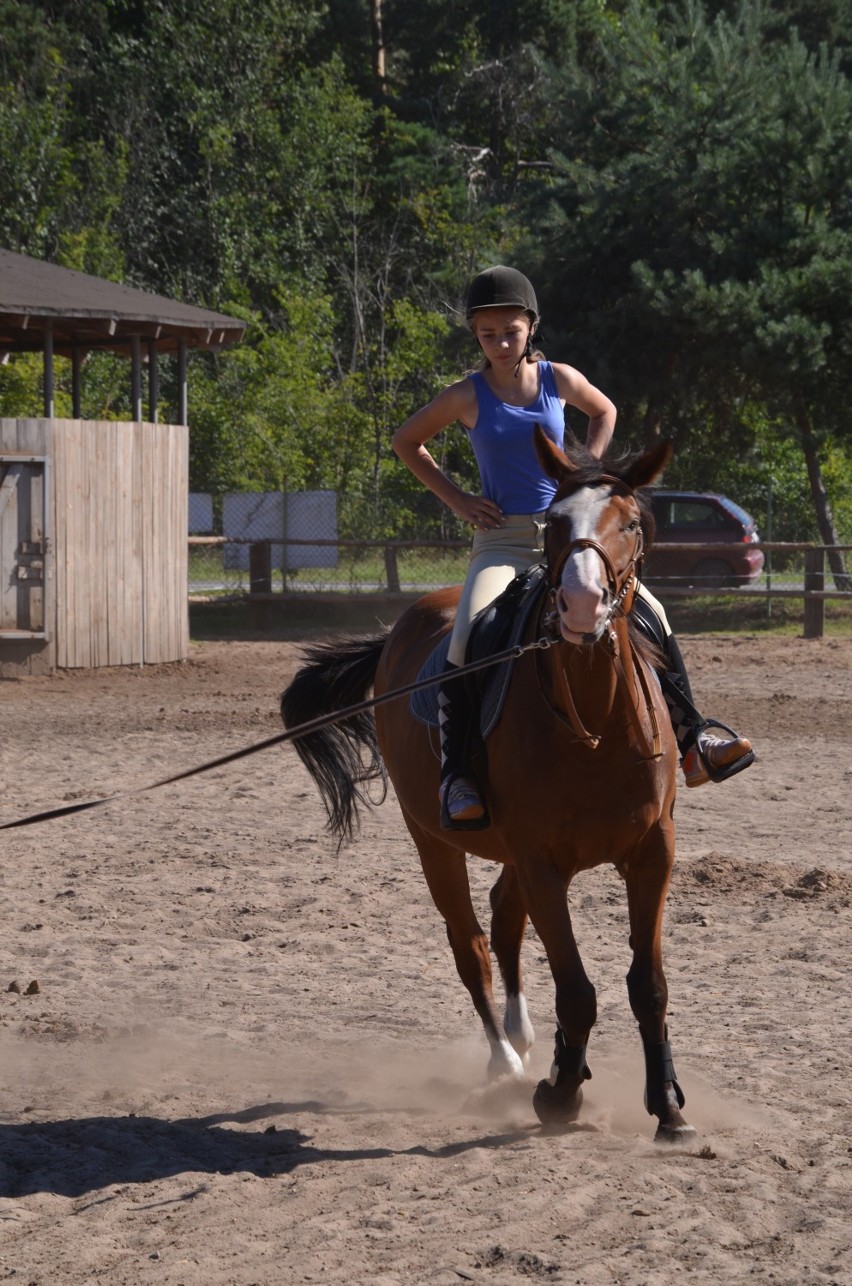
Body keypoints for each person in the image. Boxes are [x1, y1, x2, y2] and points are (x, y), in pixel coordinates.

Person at [392, 265, 754, 829]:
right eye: (487, 334)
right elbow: (406, 442)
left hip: (570, 533)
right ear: (475, 336)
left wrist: (584, 473)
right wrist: (459, 500)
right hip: (504, 541)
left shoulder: (559, 378)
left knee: (652, 614)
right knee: (466, 635)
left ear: (530, 326)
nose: (500, 342)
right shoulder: (465, 394)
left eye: (510, 331)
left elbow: (604, 410)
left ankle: (694, 739)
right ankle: (458, 772)